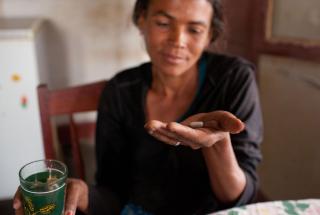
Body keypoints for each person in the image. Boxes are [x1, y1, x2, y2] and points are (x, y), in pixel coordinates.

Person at [13, 0, 263, 214]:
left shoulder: (234, 79)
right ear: (141, 20)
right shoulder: (120, 92)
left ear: (210, 35)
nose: (178, 40)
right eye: (163, 24)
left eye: (195, 29)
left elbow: (242, 198)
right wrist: (83, 193)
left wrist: (218, 146)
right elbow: (112, 192)